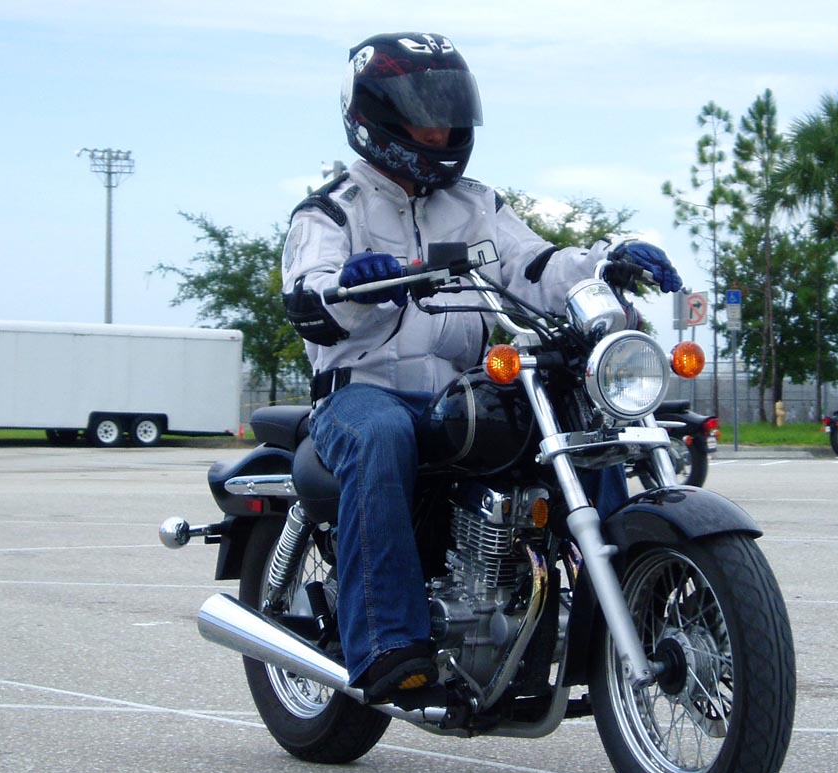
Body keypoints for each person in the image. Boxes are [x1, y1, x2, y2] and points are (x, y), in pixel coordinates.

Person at [281, 31, 682, 704]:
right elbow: (307, 294)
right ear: (376, 115)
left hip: (459, 392)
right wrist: (351, 284)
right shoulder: (331, 209)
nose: (440, 128)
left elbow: (536, 265)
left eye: (448, 110)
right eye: (423, 114)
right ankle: (388, 644)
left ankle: (632, 604)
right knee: (382, 435)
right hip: (361, 393)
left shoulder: (476, 204)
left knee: (585, 428)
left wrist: (608, 258)